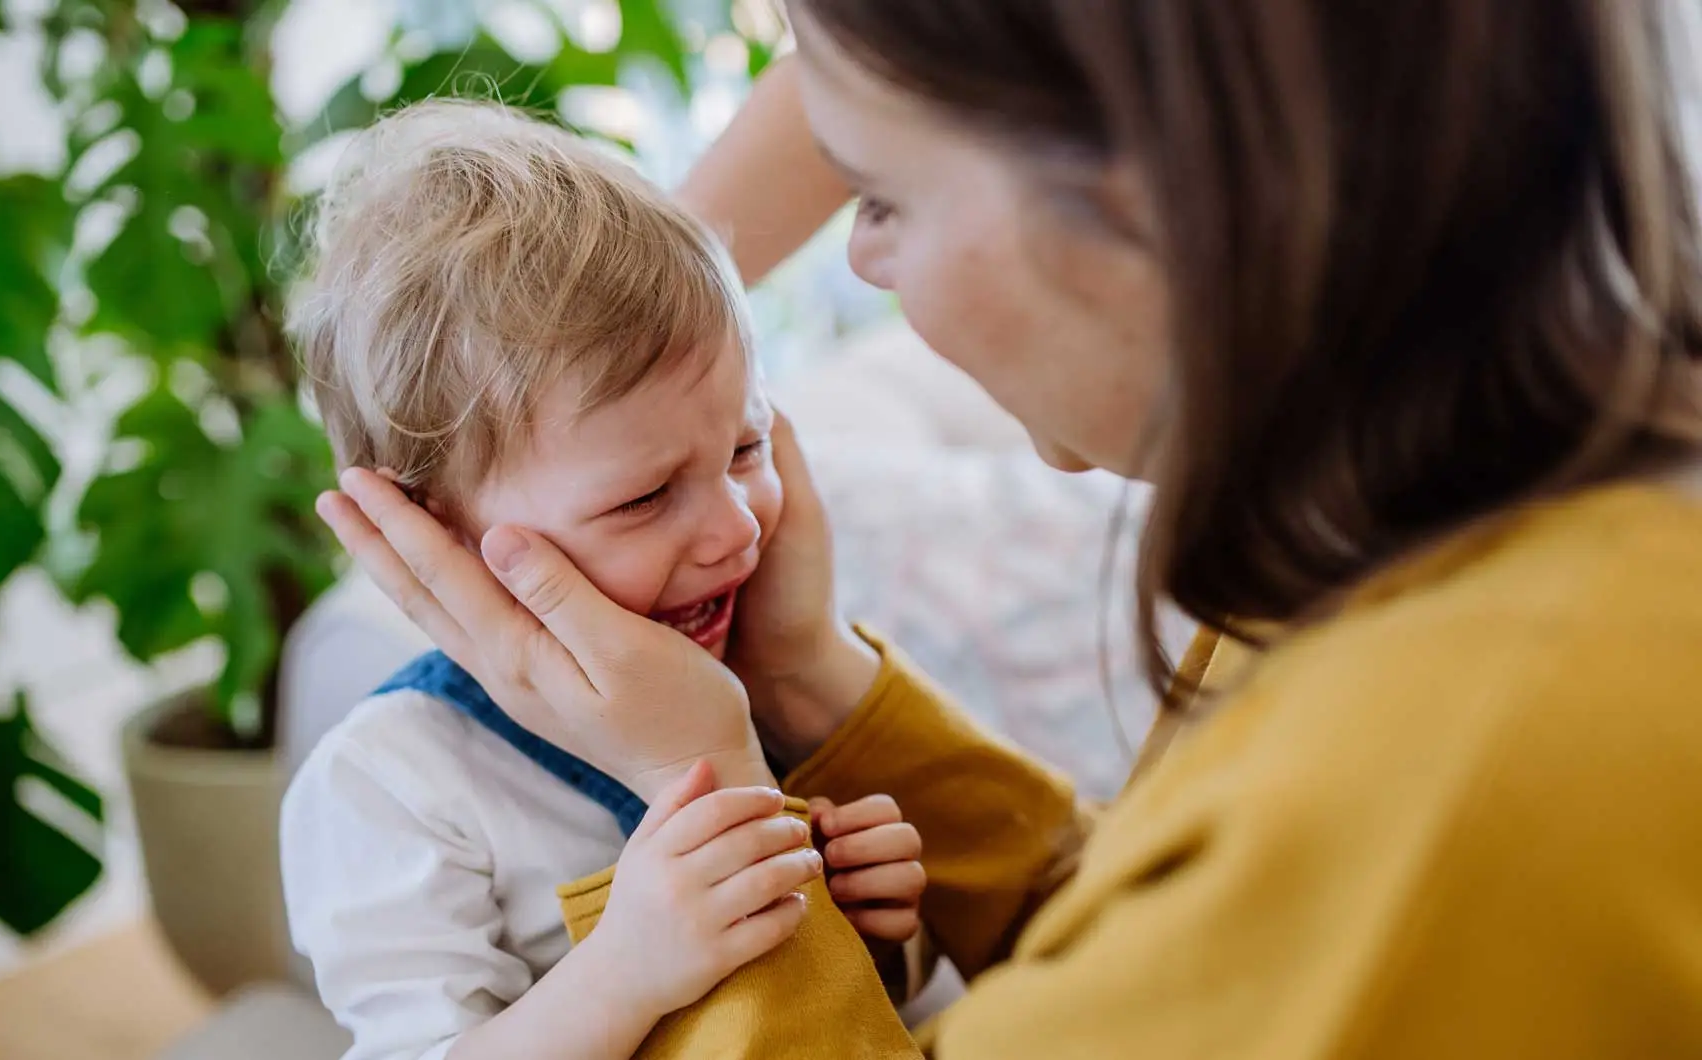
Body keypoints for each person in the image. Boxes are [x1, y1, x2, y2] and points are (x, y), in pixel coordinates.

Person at [315, 1, 1702, 1056]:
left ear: (1156, 180)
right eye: (639, 488)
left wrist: (720, 801)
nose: (857, 252)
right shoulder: (1437, 550)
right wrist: (820, 703)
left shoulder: (1447, 774)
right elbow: (1141, 952)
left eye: (884, 193)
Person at [278, 101, 928, 1060]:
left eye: (746, 445)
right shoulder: (392, 784)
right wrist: (623, 972)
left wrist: (878, 939)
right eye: (645, 496)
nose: (737, 525)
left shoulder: (749, 669)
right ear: (431, 532)